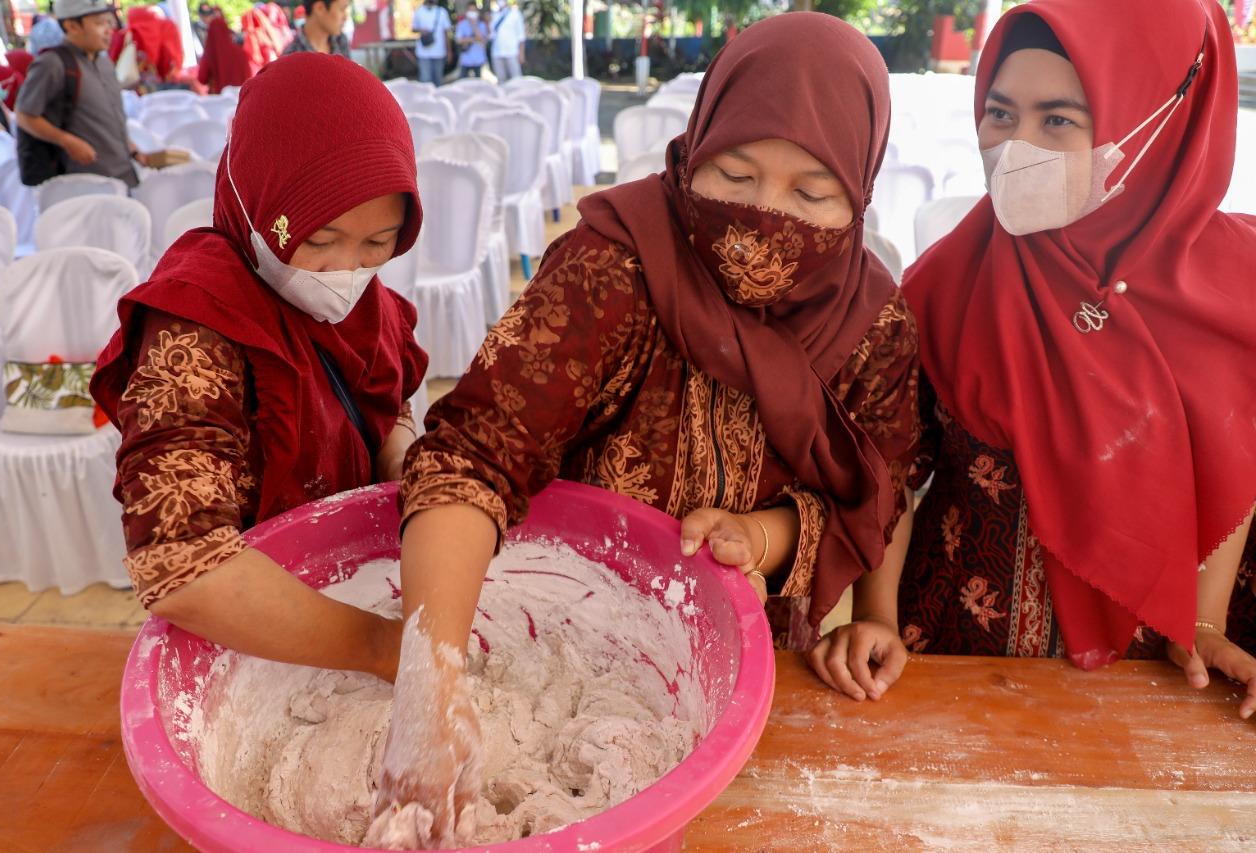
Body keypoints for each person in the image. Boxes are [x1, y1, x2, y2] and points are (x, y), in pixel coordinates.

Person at [366, 13, 920, 847]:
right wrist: (429, 687)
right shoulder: (612, 265)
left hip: (762, 661)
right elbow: (473, 454)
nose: (761, 217)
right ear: (693, 148)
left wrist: (766, 540)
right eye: (732, 172)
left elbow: (879, 485)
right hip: (559, 639)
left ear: (861, 187)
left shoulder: (870, 320)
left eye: (810, 194)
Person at [820, 0, 1256, 721]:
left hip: (1164, 678)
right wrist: (877, 617)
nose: (1016, 145)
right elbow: (888, 466)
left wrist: (1206, 624)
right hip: (952, 664)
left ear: (1155, 118)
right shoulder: (947, 282)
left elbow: (1236, 460)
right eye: (1000, 112)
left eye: (1057, 119)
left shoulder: (1234, 289)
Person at [90, 53, 428, 687]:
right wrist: (389, 649)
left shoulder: (368, 304)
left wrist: (403, 462)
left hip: (357, 584)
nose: (343, 271)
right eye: (321, 239)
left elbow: (387, 404)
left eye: (378, 243)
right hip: (255, 630)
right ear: (256, 205)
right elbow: (182, 565)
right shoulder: (195, 326)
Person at [16, 0, 144, 189]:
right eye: (100, 23)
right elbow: (24, 115)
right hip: (85, 183)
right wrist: (66, 140)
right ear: (72, 26)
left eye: (109, 22)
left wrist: (128, 146)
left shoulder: (104, 62)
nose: (109, 29)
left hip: (124, 174)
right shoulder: (52, 64)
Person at [108, 5, 184, 90]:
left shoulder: (125, 36)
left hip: (130, 91)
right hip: (162, 88)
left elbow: (111, 62)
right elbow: (172, 60)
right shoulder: (166, 28)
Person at [196, 9, 252, 93]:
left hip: (220, 101)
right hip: (241, 97)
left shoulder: (209, 55)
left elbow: (202, 79)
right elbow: (248, 76)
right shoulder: (240, 53)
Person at [283, 0, 349, 57]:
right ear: (320, 8)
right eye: (342, 9)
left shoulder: (341, 41)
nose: (345, 17)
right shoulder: (291, 55)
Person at [412, 0, 450, 85]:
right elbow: (414, 28)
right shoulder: (419, 11)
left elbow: (446, 33)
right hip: (423, 53)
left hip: (439, 52)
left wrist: (449, 51)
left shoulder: (442, 12)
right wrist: (421, 30)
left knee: (438, 80)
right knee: (425, 81)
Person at [487, 0, 522, 81]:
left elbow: (521, 36)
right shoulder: (493, 15)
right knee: (501, 80)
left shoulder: (515, 13)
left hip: (512, 52)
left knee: (516, 79)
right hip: (496, 53)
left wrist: (521, 53)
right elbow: (491, 35)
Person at [453, 0, 486, 79]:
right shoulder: (461, 24)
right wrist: (474, 39)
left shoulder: (481, 24)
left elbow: (482, 39)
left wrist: (474, 25)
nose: (472, 13)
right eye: (470, 10)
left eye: (474, 10)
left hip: (478, 60)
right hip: (465, 60)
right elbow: (458, 40)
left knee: (478, 85)